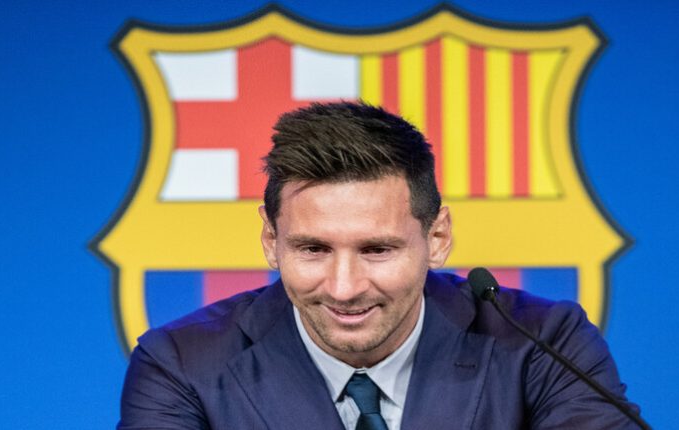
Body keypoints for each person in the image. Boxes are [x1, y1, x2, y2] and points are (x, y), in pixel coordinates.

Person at [118, 102, 642, 429]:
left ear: (437, 238)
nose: (344, 288)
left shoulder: (546, 343)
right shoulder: (180, 365)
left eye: (376, 250)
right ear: (271, 241)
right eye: (313, 249)